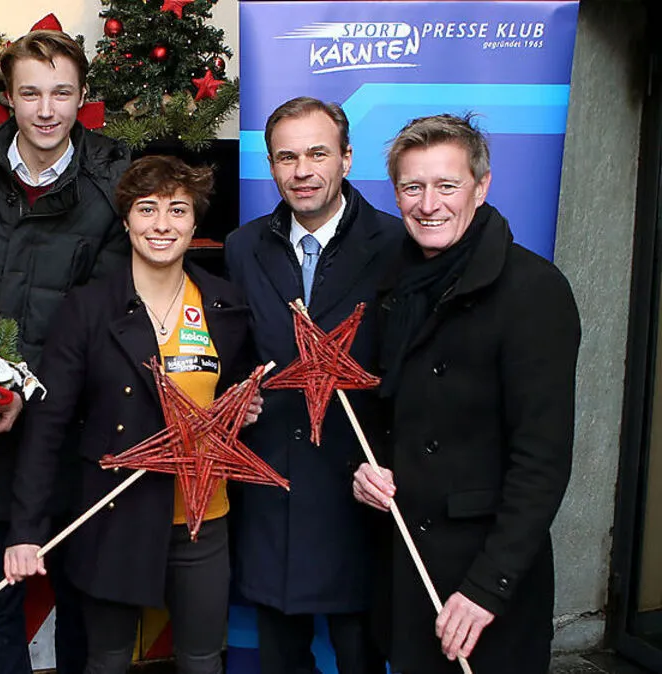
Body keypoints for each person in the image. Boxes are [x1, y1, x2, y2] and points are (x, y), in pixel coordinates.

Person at [5, 155, 263, 674]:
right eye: (147, 209)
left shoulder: (225, 305)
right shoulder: (89, 308)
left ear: (195, 222)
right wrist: (25, 530)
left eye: (178, 209)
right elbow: (48, 426)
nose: (162, 225)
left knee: (201, 659)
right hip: (112, 516)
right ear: (126, 221)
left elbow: (238, 387)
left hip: (201, 520)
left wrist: (244, 406)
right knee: (107, 660)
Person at [0, 28, 131, 674]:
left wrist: (27, 389)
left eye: (62, 93)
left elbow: (108, 319)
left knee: (80, 598)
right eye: (32, 93)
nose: (47, 110)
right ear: (9, 98)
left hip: (72, 430)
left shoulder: (113, 188)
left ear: (81, 98)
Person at [352, 113, 580, 672]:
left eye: (447, 185)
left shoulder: (534, 290)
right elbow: (379, 411)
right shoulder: (391, 283)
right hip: (406, 567)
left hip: (484, 581)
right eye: (413, 187)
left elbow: (542, 462)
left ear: (482, 187)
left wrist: (487, 589)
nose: (429, 204)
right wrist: (367, 469)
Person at [223, 97, 400, 673]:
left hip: (359, 486)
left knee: (360, 652)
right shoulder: (243, 246)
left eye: (317, 153)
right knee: (279, 654)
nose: (301, 171)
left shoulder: (398, 245)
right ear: (271, 166)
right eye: (286, 157)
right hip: (273, 482)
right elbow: (237, 353)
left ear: (347, 159)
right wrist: (236, 399)